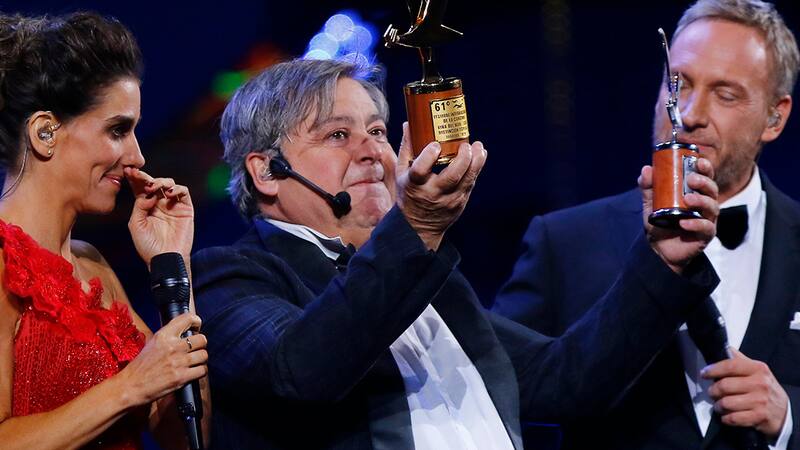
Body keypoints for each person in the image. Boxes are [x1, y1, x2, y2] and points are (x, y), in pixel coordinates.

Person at [192, 57, 720, 449]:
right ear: (267, 171)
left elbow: (565, 380)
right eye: (337, 134)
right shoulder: (227, 277)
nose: (373, 151)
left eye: (377, 131)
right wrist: (416, 229)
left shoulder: (423, 274)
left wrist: (663, 261)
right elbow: (299, 370)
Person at [492, 0, 800, 449]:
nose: (689, 113)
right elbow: (498, 387)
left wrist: (790, 416)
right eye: (679, 84)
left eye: (725, 94)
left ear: (775, 117)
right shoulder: (565, 243)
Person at [0, 12, 210, 449]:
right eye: (118, 130)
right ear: (45, 132)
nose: (137, 156)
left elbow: (187, 439)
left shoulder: (95, 269)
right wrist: (130, 386)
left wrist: (174, 264)